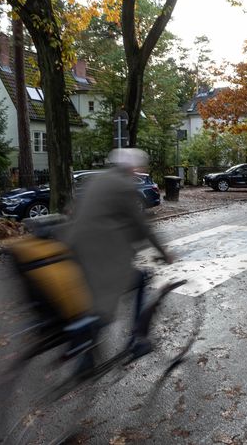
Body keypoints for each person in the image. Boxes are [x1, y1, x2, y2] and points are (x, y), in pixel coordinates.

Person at [64, 148, 172, 367]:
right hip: (100, 252)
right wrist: (163, 253)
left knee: (94, 296)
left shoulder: (98, 180)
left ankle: (86, 356)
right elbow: (141, 227)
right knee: (137, 281)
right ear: (131, 168)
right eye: (138, 167)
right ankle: (137, 340)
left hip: (75, 248)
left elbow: (78, 210)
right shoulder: (124, 186)